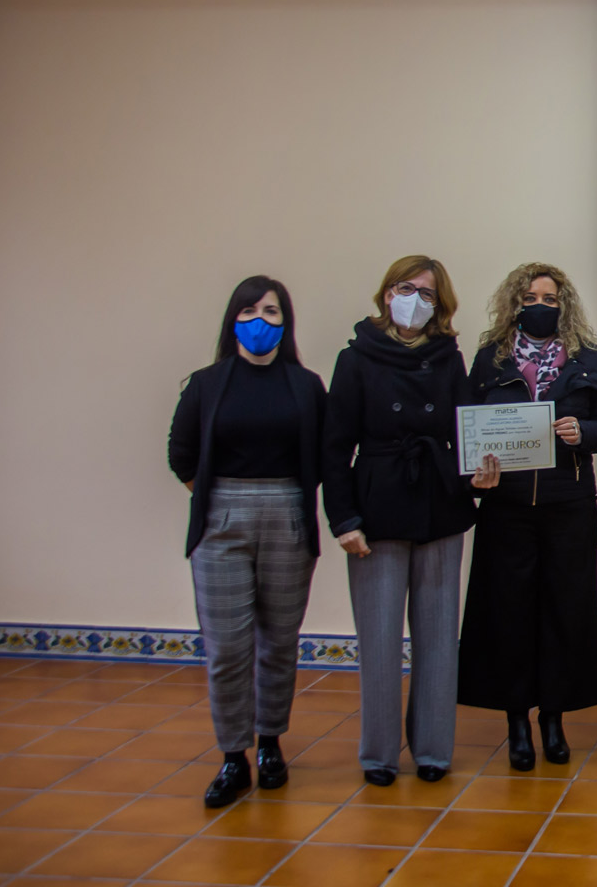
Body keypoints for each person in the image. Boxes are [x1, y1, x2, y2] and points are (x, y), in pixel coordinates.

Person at [323, 255, 488, 786]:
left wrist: (480, 475)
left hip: (440, 503)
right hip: (375, 509)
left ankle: (434, 749)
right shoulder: (355, 359)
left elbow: (468, 431)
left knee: (440, 637)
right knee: (379, 639)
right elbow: (333, 448)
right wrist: (343, 518)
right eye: (406, 287)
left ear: (441, 306)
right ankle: (378, 755)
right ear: (386, 292)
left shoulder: (448, 356)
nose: (415, 300)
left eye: (427, 293)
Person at [167, 276, 326, 808]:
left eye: (273, 311)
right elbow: (181, 454)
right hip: (221, 520)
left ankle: (270, 744)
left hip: (288, 515)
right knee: (227, 649)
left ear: (287, 322)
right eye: (252, 310)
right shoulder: (208, 383)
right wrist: (222, 500)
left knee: (279, 641)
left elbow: (324, 458)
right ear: (233, 318)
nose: (262, 320)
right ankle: (233, 756)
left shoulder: (306, 386)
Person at [456, 264, 597, 770]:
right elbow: (466, 431)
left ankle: (554, 720)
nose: (540, 304)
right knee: (507, 617)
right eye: (530, 296)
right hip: (506, 510)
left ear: (563, 303)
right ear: (515, 302)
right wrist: (474, 478)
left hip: (567, 507)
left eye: (550, 297)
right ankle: (515, 724)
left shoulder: (588, 357)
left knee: (563, 616)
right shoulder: (490, 358)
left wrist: (582, 434)